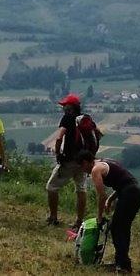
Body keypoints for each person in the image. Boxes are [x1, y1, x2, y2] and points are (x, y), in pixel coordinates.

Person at [77, 150, 140, 274]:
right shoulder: (104, 162)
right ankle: (122, 263)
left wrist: (99, 216)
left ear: (86, 162)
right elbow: (122, 182)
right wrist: (111, 199)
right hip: (135, 191)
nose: (82, 170)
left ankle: (123, 265)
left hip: (130, 193)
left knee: (117, 228)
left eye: (82, 166)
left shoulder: (95, 170)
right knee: (122, 227)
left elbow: (101, 195)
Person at [45, 94, 87, 227]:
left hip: (69, 160)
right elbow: (98, 134)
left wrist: (58, 154)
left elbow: (59, 137)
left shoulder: (67, 118)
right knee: (81, 189)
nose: (63, 108)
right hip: (83, 161)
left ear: (70, 108)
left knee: (51, 187)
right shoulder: (85, 119)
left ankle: (53, 217)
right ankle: (79, 221)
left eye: (64, 106)